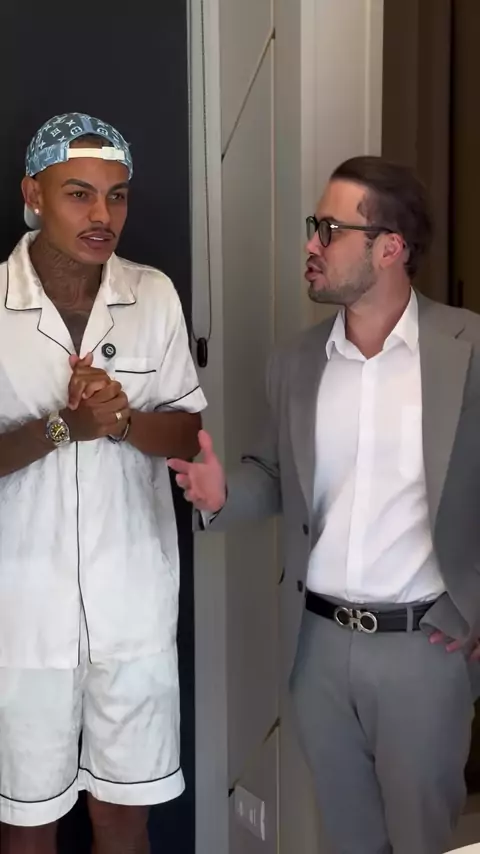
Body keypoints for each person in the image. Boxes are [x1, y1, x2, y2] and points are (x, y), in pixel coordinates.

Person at [169, 156, 480, 854]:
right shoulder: (297, 362)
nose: (311, 244)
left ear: (390, 248)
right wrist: (223, 493)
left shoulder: (469, 350)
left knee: (422, 841)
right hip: (318, 648)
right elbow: (274, 474)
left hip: (425, 648)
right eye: (315, 226)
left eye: (330, 229)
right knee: (349, 841)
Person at [0, 112, 206, 854]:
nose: (102, 216)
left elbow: (187, 432)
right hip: (23, 612)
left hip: (132, 603)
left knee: (124, 816)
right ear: (34, 193)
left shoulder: (152, 294)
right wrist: (65, 427)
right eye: (79, 194)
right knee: (28, 822)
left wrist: (122, 423)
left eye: (116, 196)